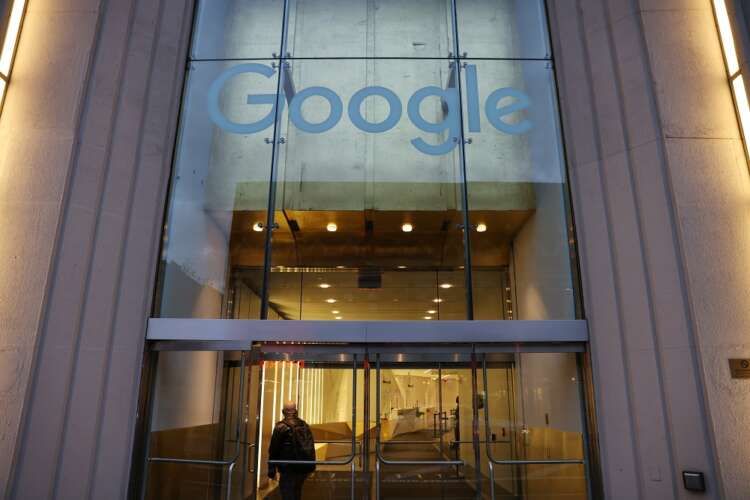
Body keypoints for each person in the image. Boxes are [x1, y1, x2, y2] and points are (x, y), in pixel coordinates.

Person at [268, 401, 315, 500]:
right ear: (296, 411)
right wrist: (312, 466)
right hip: (302, 467)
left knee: (287, 493)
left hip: (287, 468)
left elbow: (273, 449)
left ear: (283, 411)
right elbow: (311, 446)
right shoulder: (304, 425)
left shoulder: (280, 427)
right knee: (297, 492)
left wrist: (271, 470)